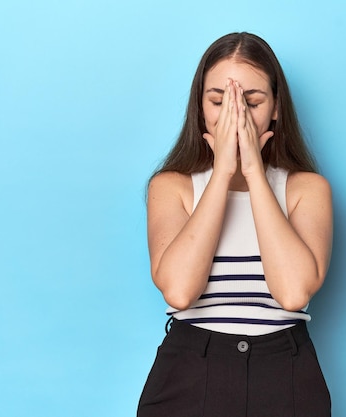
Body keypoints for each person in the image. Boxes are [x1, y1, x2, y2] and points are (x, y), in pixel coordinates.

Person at [137, 32, 333, 417]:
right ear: (200, 107)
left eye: (252, 101)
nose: (236, 115)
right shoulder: (172, 187)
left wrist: (254, 174)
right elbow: (179, 292)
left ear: (276, 108)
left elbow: (293, 294)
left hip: (285, 373)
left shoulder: (306, 189)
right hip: (190, 372)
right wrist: (222, 172)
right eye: (219, 101)